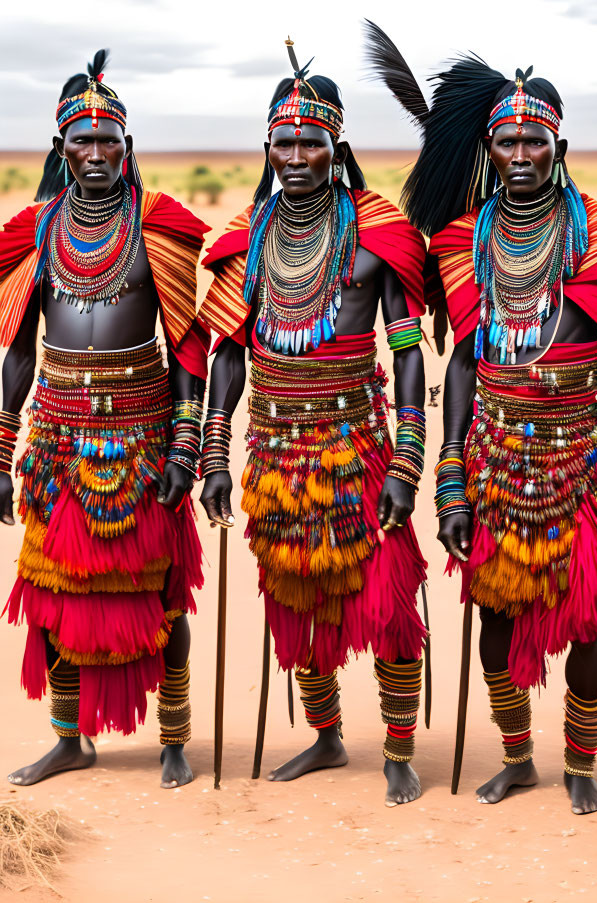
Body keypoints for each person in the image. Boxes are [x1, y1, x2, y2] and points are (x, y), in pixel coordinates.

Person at [396, 41, 597, 815]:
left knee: (583, 625)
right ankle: (517, 756)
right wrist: (450, 478)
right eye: (507, 141)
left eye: (535, 140)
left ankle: (579, 762)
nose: (522, 153)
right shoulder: (464, 243)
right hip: (495, 462)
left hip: (577, 463)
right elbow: (461, 368)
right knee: (496, 632)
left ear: (559, 146)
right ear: (489, 149)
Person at [197, 41, 429, 805]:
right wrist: (217, 454)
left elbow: (408, 353)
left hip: (357, 447)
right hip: (274, 453)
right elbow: (227, 356)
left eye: (311, 141)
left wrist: (408, 462)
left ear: (337, 148)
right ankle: (327, 737)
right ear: (268, 146)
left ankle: (398, 749)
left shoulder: (377, 232)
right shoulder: (248, 239)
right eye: (284, 141)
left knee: (390, 603)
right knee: (294, 600)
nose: (297, 154)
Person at [0, 51, 209, 788]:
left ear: (128, 147)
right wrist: (1, 452)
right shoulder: (34, 233)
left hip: (145, 438)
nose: (95, 153)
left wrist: (187, 446)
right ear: (61, 150)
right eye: (81, 142)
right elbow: (19, 352)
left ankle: (174, 738)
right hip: (56, 440)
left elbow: (188, 345)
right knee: (53, 594)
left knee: (158, 592)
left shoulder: (161, 229)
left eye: (108, 141)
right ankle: (68, 737)